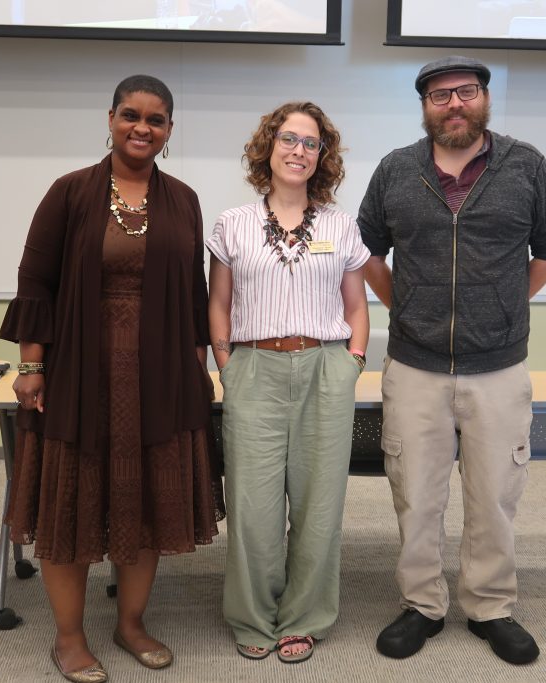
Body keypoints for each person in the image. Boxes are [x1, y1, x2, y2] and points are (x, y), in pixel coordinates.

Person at [0, 74, 223, 683]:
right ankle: (69, 639)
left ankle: (130, 623)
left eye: (155, 119)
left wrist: (198, 369)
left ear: (170, 130)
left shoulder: (184, 200)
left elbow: (194, 294)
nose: (141, 128)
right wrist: (31, 366)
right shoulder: (70, 193)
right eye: (130, 115)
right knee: (71, 502)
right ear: (110, 118)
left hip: (161, 373)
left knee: (147, 499)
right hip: (79, 373)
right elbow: (35, 284)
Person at [357, 56, 546, 666]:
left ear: (484, 99)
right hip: (415, 366)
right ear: (424, 106)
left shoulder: (525, 165)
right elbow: (369, 251)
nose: (454, 104)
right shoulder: (396, 170)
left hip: (498, 368)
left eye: (465, 92)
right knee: (416, 494)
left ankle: (490, 606)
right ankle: (421, 605)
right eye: (440, 95)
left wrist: (500, 306)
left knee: (495, 493)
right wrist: (412, 306)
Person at [207, 101, 370, 664]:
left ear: (322, 158)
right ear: (268, 147)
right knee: (252, 504)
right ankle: (253, 616)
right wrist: (227, 363)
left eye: (311, 143)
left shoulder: (340, 224)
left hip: (326, 368)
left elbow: (357, 304)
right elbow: (219, 302)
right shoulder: (234, 223)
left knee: (320, 503)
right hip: (254, 369)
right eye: (289, 139)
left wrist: (353, 359)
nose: (298, 150)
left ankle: (305, 616)